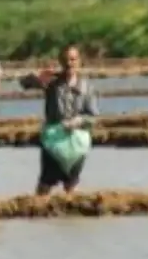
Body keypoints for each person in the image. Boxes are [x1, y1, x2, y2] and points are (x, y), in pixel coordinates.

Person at [19, 42, 98, 195]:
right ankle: (38, 211)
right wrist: (38, 76)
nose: (69, 64)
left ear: (79, 61)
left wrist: (78, 121)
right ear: (61, 62)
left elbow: (93, 116)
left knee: (71, 184)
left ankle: (70, 216)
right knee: (45, 183)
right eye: (66, 60)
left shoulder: (87, 88)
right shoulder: (52, 83)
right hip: (53, 139)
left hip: (77, 141)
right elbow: (24, 83)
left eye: (73, 59)